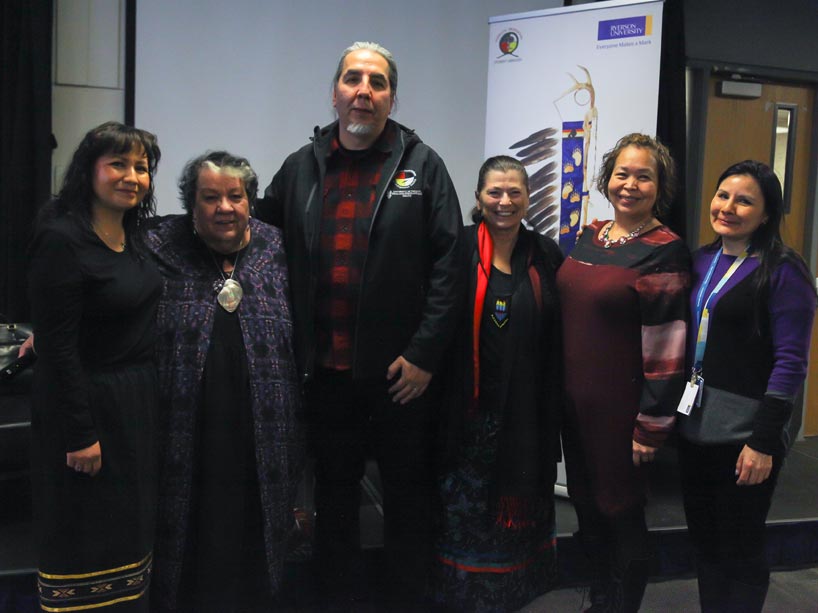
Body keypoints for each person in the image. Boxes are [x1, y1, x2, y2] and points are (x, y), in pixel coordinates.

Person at [257, 41, 464, 606]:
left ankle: (405, 600)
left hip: (401, 376)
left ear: (392, 97)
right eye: (353, 79)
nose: (364, 92)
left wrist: (423, 355)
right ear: (335, 92)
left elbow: (452, 266)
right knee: (336, 499)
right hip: (324, 371)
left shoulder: (422, 166)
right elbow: (257, 240)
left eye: (377, 82)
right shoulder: (301, 166)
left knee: (406, 498)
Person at [145, 152, 304, 612]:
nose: (224, 207)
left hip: (267, 431)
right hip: (182, 432)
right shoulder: (159, 243)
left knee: (257, 537)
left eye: (235, 196)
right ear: (191, 204)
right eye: (210, 197)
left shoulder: (278, 246)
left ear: (250, 201)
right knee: (189, 536)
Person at [27, 122, 162, 611]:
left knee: (129, 541)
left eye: (141, 167)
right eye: (118, 164)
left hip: (134, 406)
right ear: (89, 170)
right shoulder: (61, 237)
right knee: (84, 544)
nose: (131, 176)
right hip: (85, 411)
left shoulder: (139, 233)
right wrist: (80, 433)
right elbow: (60, 350)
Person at [557, 133, 690, 612]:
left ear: (661, 186)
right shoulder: (590, 235)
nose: (630, 185)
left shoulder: (664, 250)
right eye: (622, 173)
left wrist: (651, 426)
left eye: (643, 176)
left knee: (621, 513)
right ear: (606, 179)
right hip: (575, 406)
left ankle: (621, 605)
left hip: (622, 411)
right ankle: (599, 599)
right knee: (588, 507)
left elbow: (668, 346)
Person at [677, 160, 817, 613]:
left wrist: (764, 441)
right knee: (705, 541)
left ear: (766, 214)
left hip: (746, 436)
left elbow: (791, 364)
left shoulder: (783, 271)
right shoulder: (700, 259)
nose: (729, 207)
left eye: (744, 201)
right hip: (696, 425)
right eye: (723, 196)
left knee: (739, 546)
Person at [433, 156, 562, 612]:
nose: (505, 201)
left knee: (516, 522)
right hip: (466, 416)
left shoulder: (546, 255)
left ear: (529, 198)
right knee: (463, 520)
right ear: (478, 198)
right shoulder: (457, 249)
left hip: (525, 419)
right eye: (495, 192)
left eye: (515, 192)